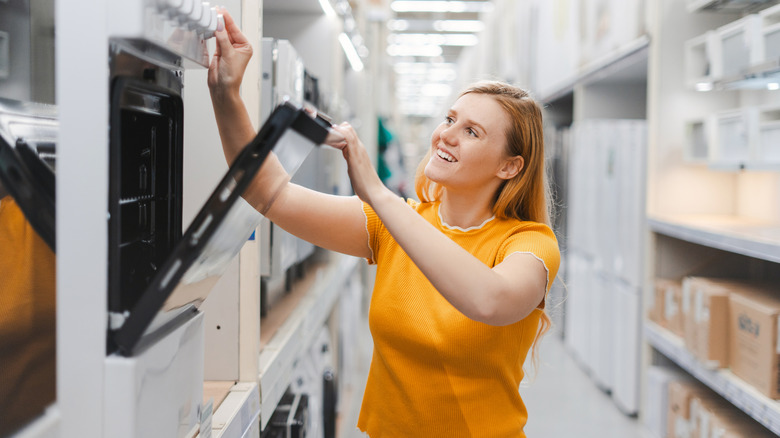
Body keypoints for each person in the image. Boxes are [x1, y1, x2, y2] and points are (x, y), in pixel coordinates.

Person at [208, 10, 560, 437]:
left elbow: (489, 300)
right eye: (450, 119)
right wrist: (227, 94)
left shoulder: (530, 245)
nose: (445, 135)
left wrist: (376, 192)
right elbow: (270, 194)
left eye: (472, 132)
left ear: (509, 166)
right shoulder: (394, 224)